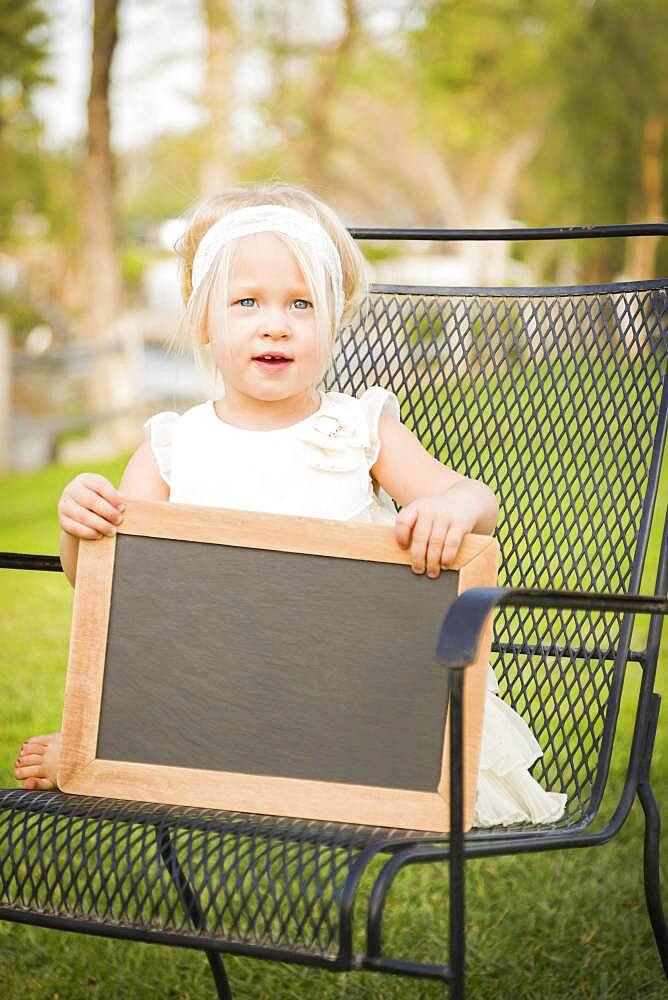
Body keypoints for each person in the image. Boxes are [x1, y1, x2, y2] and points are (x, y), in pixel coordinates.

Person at [14, 183, 566, 827]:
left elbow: (479, 499)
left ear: (331, 321)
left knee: (354, 704)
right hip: (221, 684)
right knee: (170, 660)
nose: (275, 323)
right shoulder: (172, 446)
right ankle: (108, 753)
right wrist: (78, 525)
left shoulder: (361, 429)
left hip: (343, 690)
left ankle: (138, 757)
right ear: (203, 321)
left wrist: (452, 508)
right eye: (246, 301)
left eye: (301, 303)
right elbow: (108, 585)